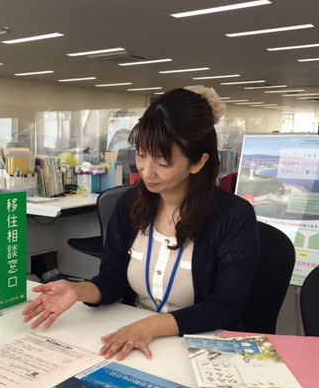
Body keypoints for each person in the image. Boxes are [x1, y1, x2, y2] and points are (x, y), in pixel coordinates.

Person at [23, 86, 260, 361]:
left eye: (162, 162)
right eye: (142, 155)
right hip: (135, 340)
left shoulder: (232, 217)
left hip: (201, 348)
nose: (147, 171)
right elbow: (113, 278)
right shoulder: (130, 205)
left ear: (198, 162)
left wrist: (150, 326)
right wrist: (78, 290)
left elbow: (223, 307)